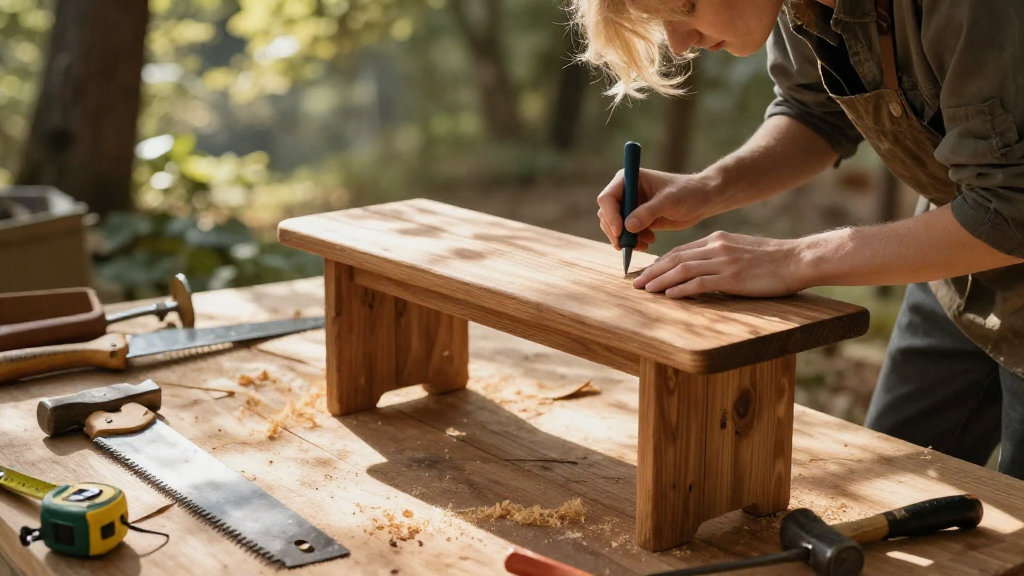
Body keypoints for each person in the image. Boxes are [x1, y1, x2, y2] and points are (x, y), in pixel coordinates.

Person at [573, 0, 1024, 479]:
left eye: (685, 6)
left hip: (988, 233)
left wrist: (795, 259)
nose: (681, 42)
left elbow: (1009, 206)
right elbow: (814, 112)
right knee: (894, 492)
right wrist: (704, 188)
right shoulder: (793, 6)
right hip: (952, 271)